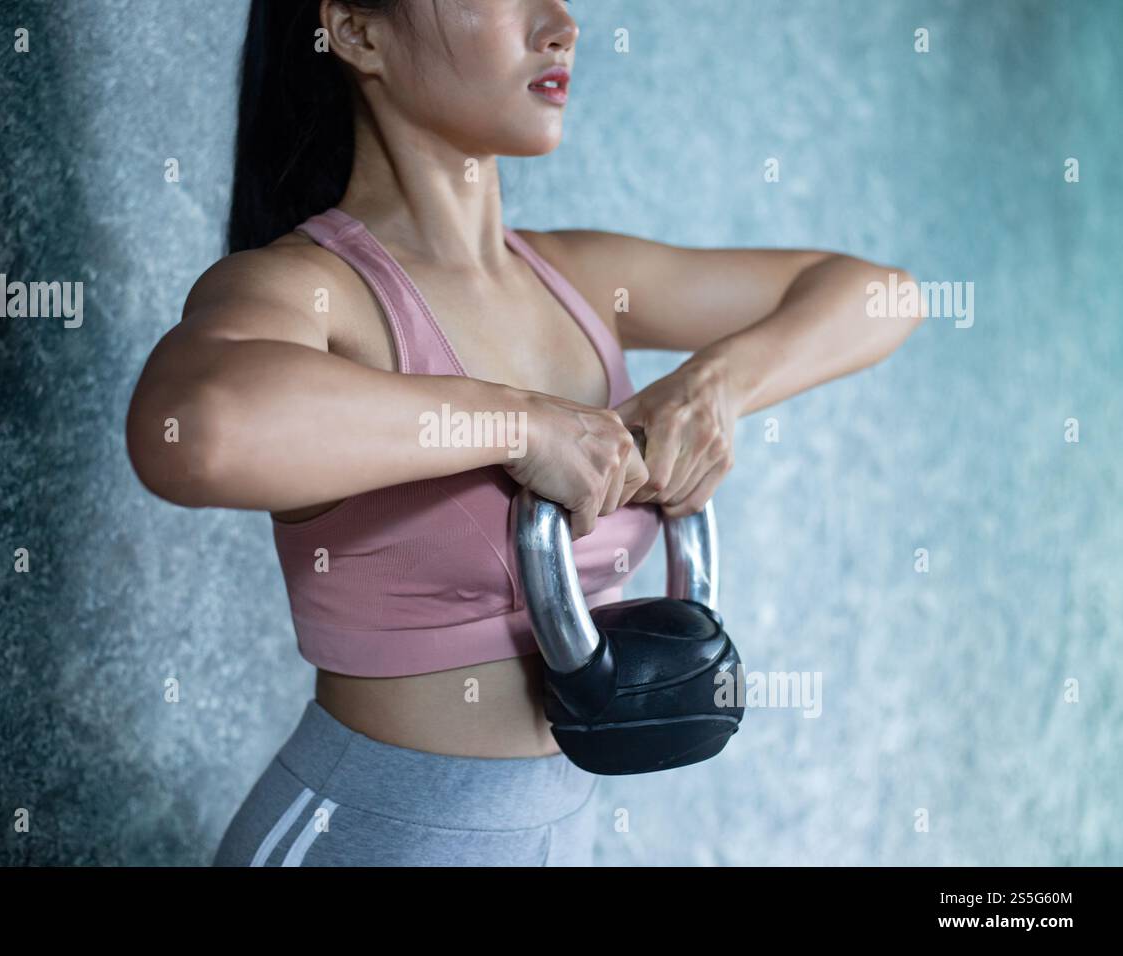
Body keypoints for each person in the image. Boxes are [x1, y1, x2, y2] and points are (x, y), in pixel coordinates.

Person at [124, 0, 924, 867]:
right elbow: (197, 430)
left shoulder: (581, 279)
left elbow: (882, 296)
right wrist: (515, 421)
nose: (560, 24)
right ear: (357, 33)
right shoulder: (316, 291)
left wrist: (715, 386)